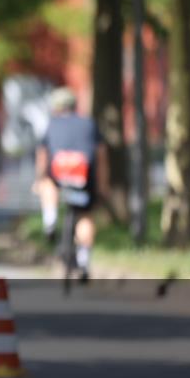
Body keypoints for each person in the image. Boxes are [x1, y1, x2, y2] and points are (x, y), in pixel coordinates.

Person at [32, 87, 109, 281]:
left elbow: (42, 154)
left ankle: (50, 220)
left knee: (48, 184)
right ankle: (84, 261)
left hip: (59, 170)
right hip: (83, 173)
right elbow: (101, 156)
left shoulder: (52, 124)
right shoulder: (89, 123)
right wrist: (102, 186)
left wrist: (39, 179)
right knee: (85, 216)